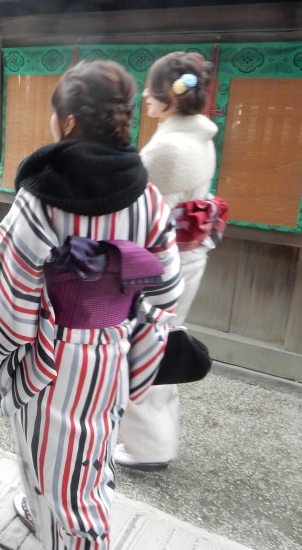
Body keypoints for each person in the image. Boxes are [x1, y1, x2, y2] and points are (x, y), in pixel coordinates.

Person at [0, 60, 182, 549]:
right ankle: (45, 518)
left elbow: (7, 277)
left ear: (69, 122)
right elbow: (164, 288)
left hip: (55, 354)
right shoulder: (148, 196)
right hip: (114, 345)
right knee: (87, 455)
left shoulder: (44, 198)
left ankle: (78, 538)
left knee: (58, 465)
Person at [114, 51, 218, 471]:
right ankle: (157, 439)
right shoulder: (200, 136)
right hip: (190, 255)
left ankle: (148, 447)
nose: (144, 96)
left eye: (151, 88)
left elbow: (135, 212)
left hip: (163, 264)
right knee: (165, 338)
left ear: (169, 96)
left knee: (146, 347)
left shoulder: (168, 149)